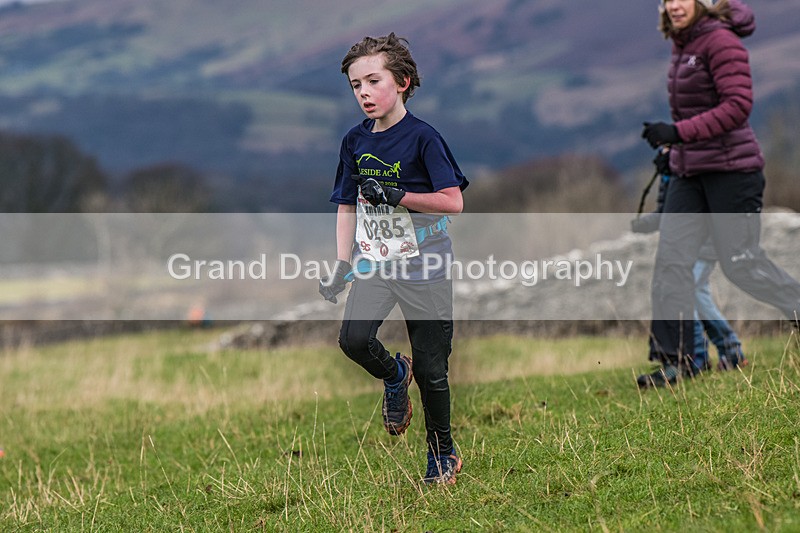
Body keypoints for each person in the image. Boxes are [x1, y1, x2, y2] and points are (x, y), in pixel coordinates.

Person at [318, 33, 469, 484]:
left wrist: (398, 195)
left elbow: (453, 202)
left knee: (432, 368)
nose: (364, 92)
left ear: (402, 82)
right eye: (355, 85)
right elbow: (347, 204)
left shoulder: (424, 138)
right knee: (353, 340)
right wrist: (342, 263)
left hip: (426, 260)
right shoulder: (353, 141)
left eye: (373, 81)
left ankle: (442, 454)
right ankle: (395, 372)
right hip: (377, 260)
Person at [638, 0, 800, 388]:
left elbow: (738, 106)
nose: (673, 5)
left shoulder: (720, 40)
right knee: (671, 262)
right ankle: (680, 361)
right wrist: (673, 150)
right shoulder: (683, 43)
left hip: (732, 172)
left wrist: (678, 133)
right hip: (690, 172)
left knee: (741, 264)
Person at [632, 149, 748, 378]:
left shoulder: (694, 160)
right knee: (698, 296)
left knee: (684, 293)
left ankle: (696, 357)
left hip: (702, 242)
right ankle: (730, 352)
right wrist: (644, 224)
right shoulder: (669, 168)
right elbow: (669, 211)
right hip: (687, 245)